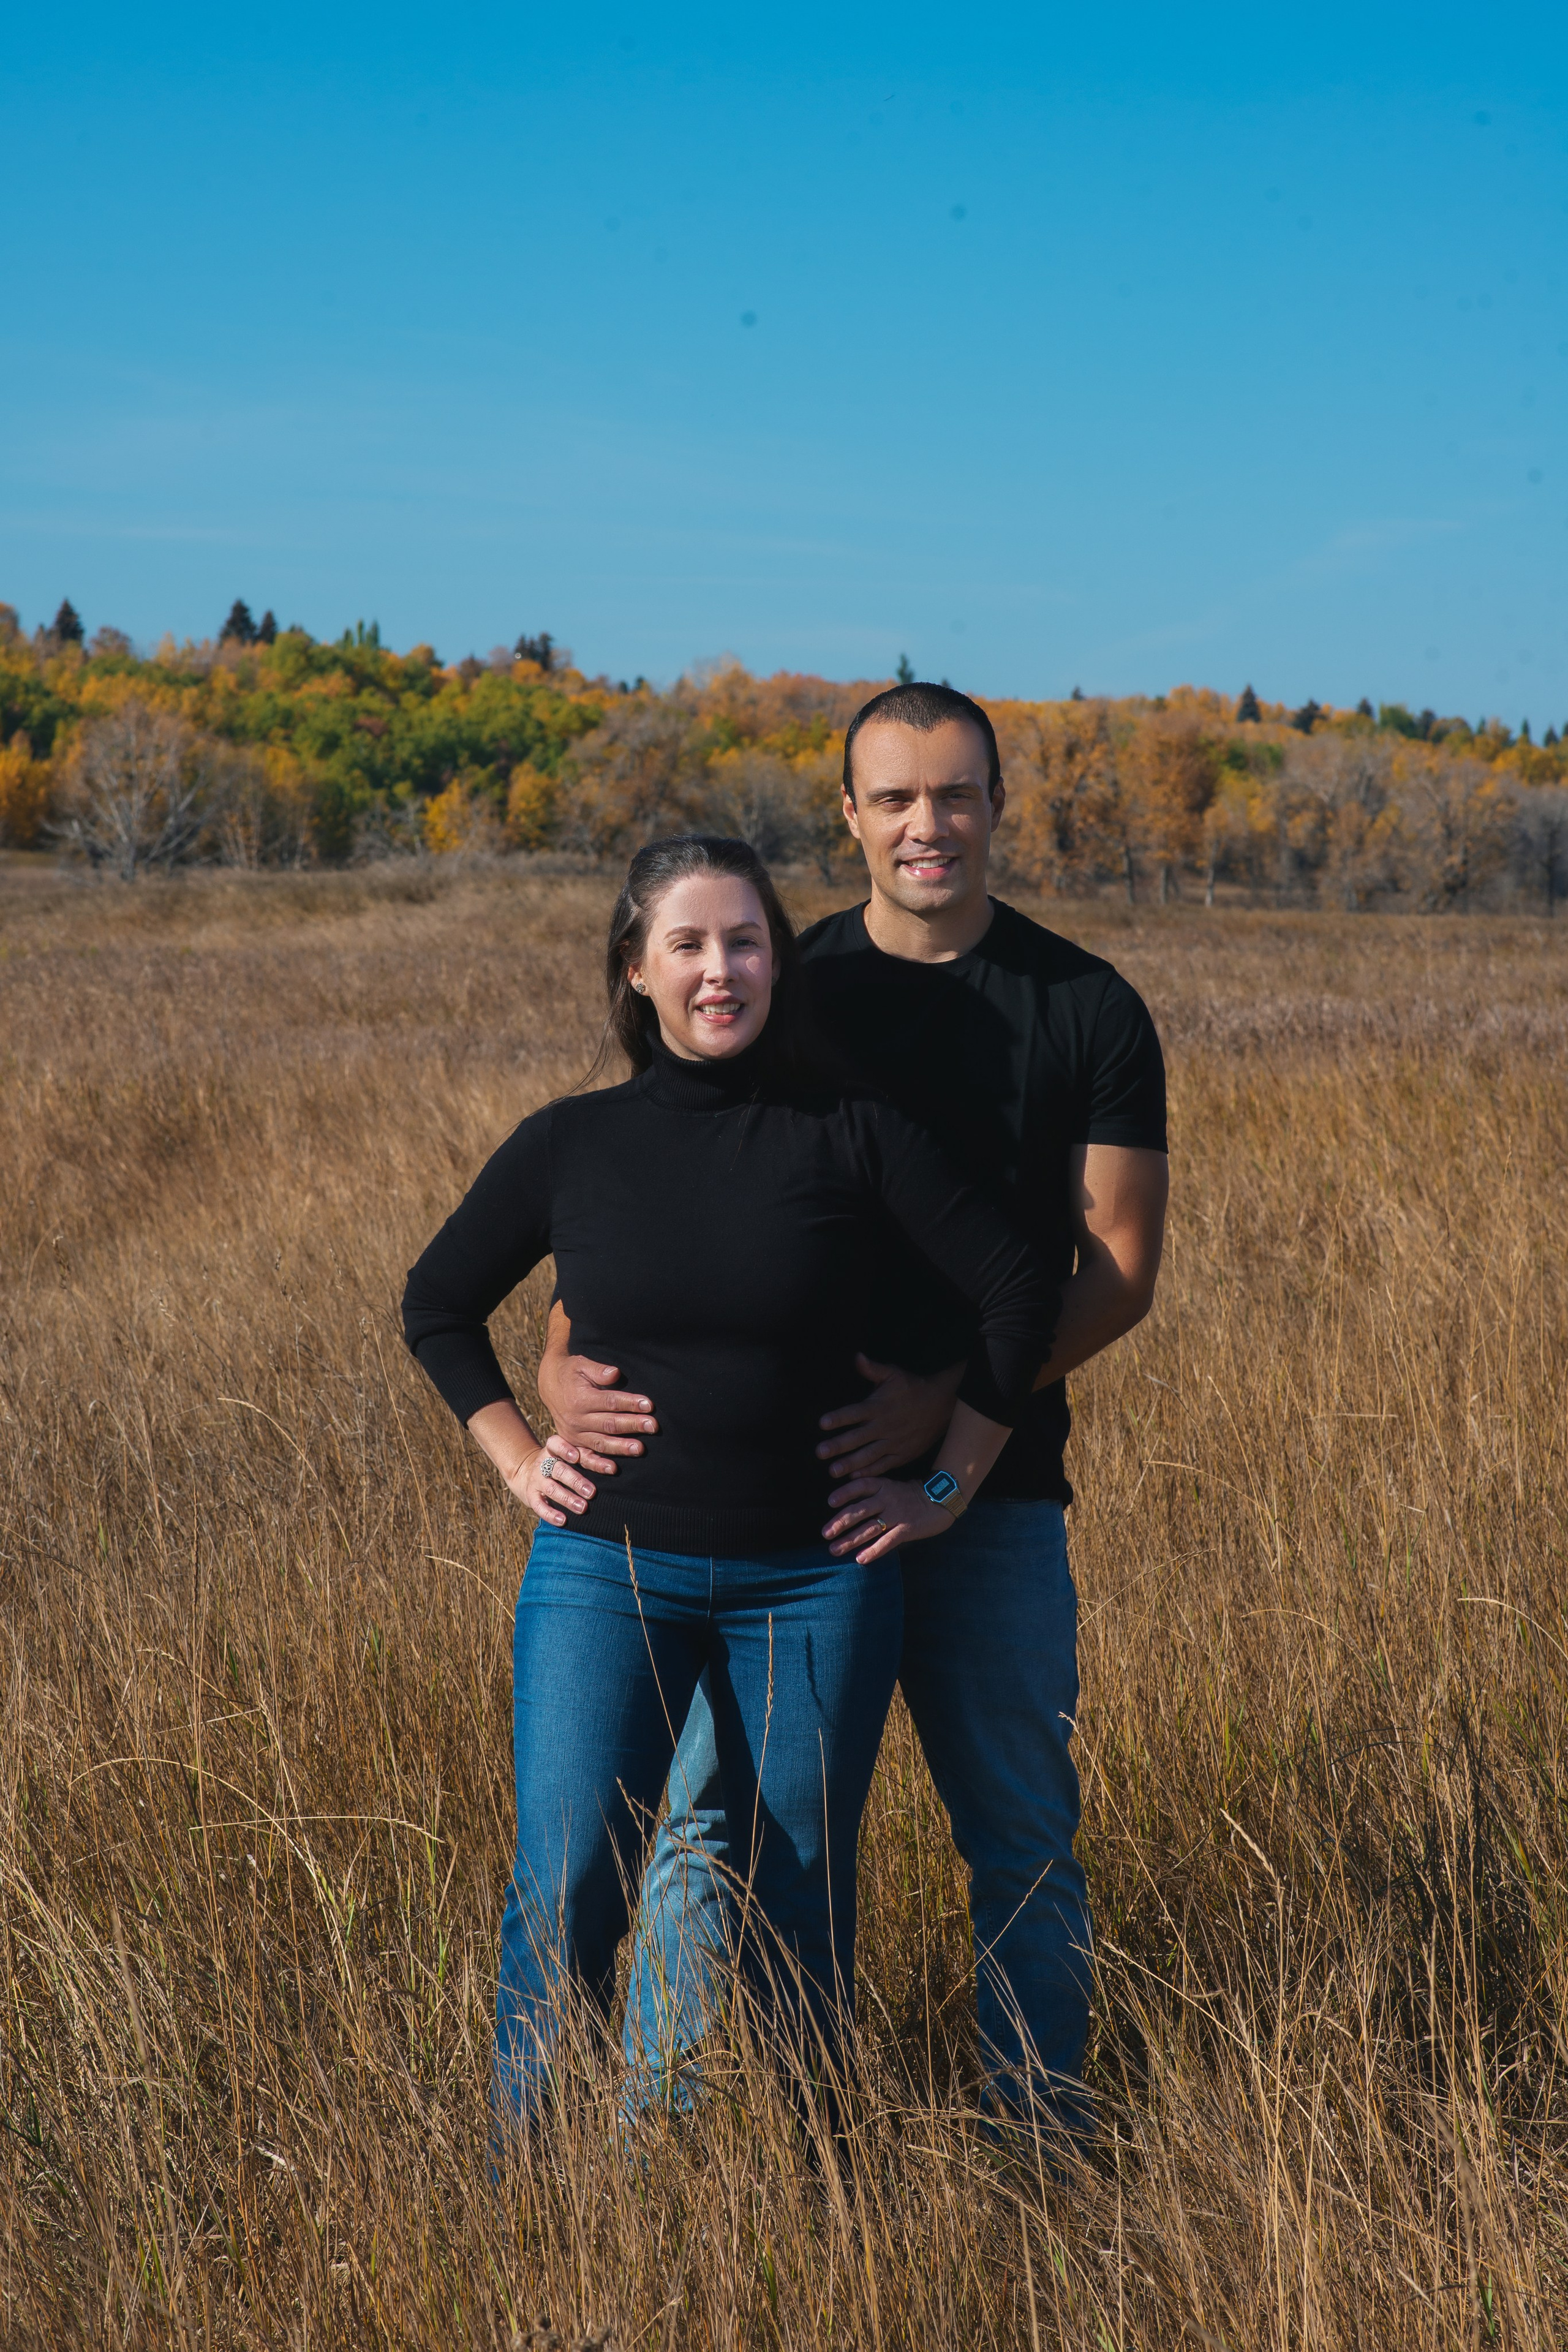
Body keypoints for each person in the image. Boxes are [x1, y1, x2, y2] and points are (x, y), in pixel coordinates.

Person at [538, 684, 1169, 2132]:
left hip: (991, 1499)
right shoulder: (783, 981)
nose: (924, 824)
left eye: (953, 795)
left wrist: (944, 1430)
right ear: (848, 818)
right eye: (891, 799)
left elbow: (1116, 1270)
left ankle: (1034, 2142)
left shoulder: (1083, 1007)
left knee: (1015, 1832)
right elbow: (649, 1183)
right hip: (772, 1513)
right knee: (711, 1826)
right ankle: (670, 2148)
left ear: (996, 805)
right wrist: (562, 1354)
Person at [401, 832, 1057, 2125]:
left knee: (800, 1892)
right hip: (606, 1572)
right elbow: (436, 1304)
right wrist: (519, 1460)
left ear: (777, 963)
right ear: (634, 970)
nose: (720, 971)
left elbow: (1018, 1291)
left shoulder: (850, 1133)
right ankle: (527, 2200)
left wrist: (944, 1486)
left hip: (813, 1585)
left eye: (745, 941)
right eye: (688, 945)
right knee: (572, 1878)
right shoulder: (570, 1144)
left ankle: (813, 2186)